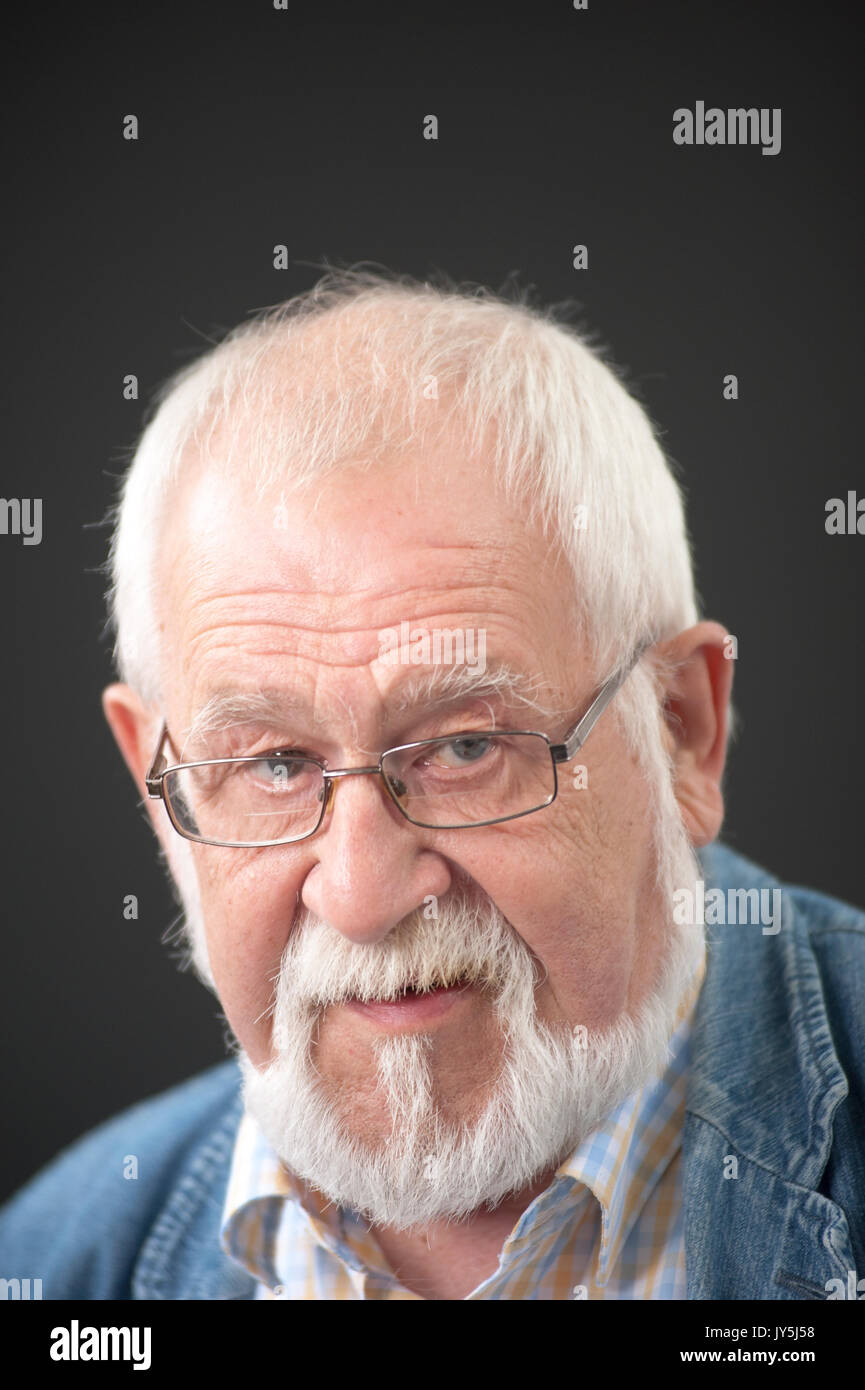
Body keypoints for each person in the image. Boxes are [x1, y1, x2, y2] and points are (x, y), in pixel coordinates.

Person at [1, 271, 862, 1301]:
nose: (362, 897)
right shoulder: (53, 1265)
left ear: (682, 729)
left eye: (463, 748)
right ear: (158, 786)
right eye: (274, 764)